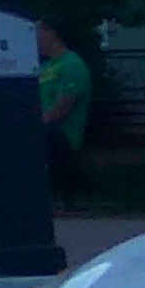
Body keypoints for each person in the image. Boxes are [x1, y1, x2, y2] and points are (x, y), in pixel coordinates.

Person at [34, 22, 95, 183]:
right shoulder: (46, 66)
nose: (33, 38)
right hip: (42, 128)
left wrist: (29, 125)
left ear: (52, 33)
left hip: (62, 134)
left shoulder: (71, 65)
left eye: (36, 32)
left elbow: (61, 108)